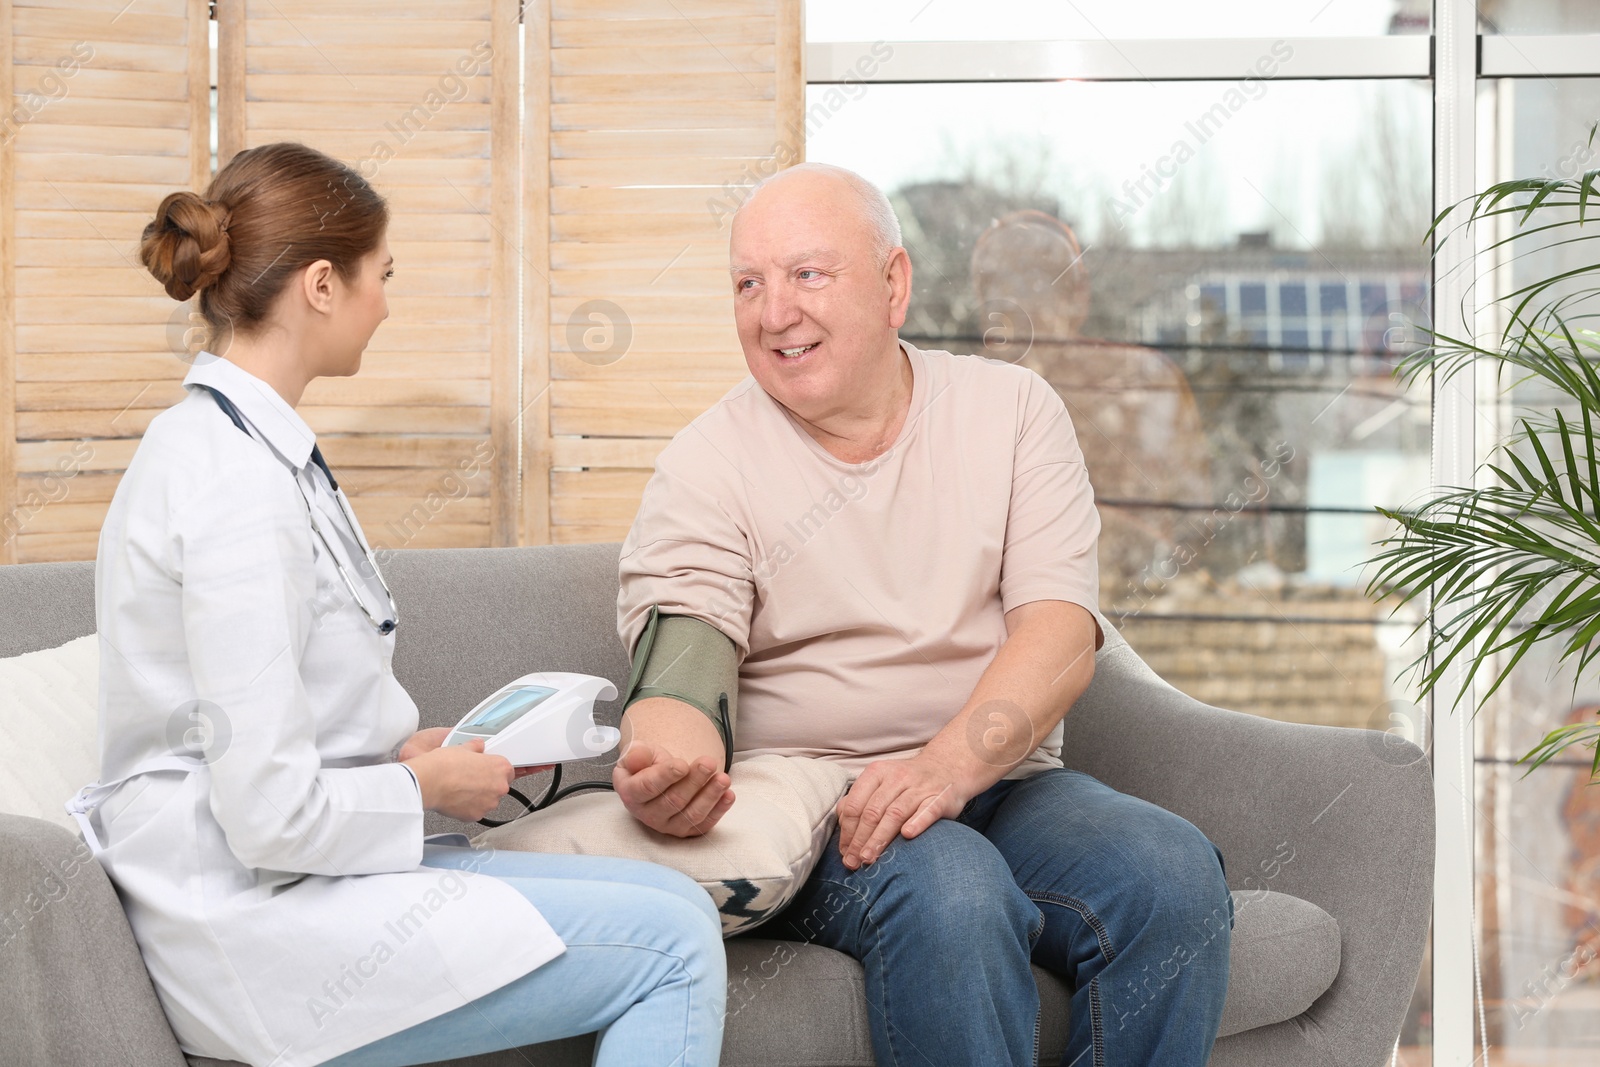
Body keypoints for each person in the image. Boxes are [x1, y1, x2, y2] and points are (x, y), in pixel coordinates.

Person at [71, 142, 724, 1067]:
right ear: (323, 285)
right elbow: (267, 816)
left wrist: (397, 756)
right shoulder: (231, 486)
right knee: (677, 948)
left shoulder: (244, 451)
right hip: (254, 925)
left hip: (289, 884)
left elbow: (270, 730)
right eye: (383, 274)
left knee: (681, 906)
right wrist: (422, 789)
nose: (388, 301)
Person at [610, 162, 1231, 1066]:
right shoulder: (708, 463)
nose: (773, 311)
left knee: (1172, 874)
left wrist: (947, 767)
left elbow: (1059, 633)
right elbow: (684, 662)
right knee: (954, 889)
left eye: (808, 274)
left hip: (1004, 782)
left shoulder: (1012, 411)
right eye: (749, 283)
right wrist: (670, 764)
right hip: (825, 808)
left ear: (894, 284)